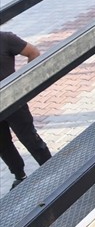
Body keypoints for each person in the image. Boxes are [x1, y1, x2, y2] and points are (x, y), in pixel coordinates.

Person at [1, 31, 52, 188]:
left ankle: (52, 170)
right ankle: (20, 177)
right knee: (3, 145)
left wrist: (22, 84)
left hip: (14, 101)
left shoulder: (5, 38)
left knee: (29, 137)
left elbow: (33, 53)